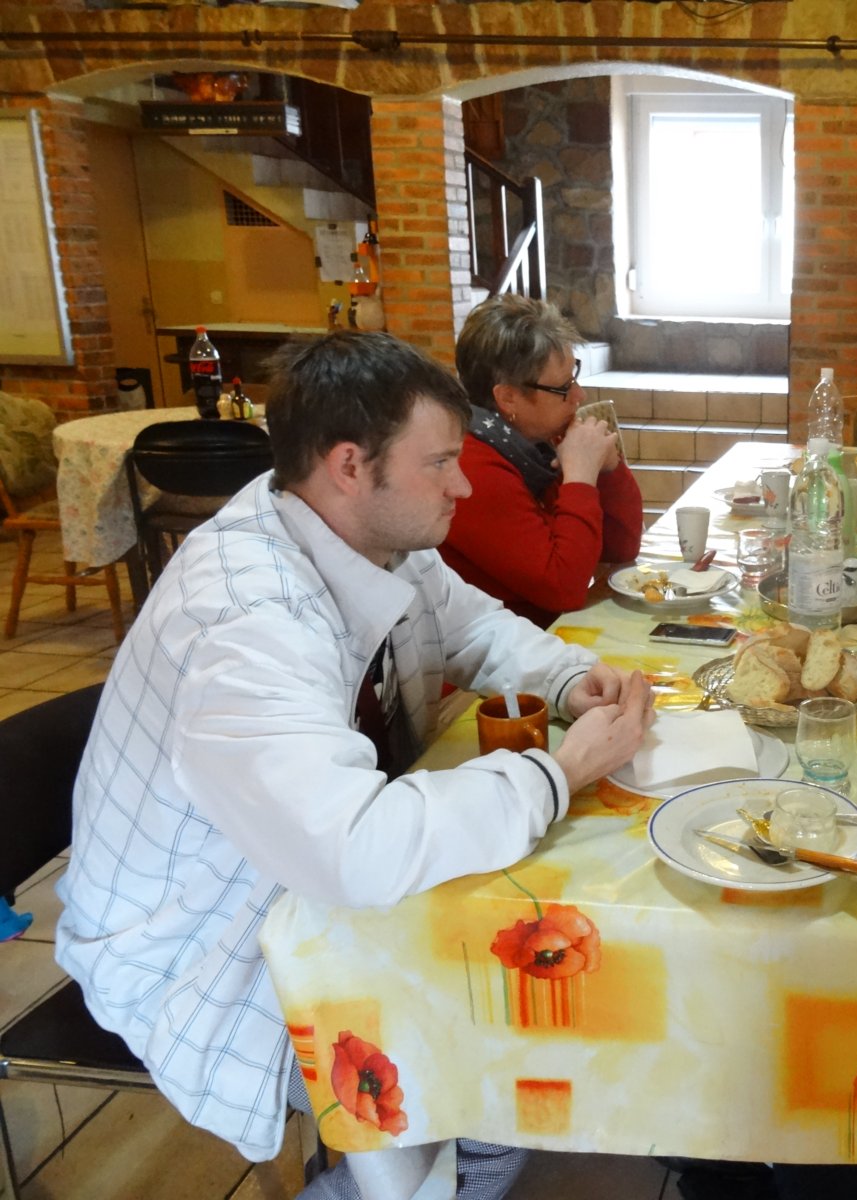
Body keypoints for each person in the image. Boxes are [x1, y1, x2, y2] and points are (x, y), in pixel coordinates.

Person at [55, 331, 653, 1194]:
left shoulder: (363, 532)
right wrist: (556, 774)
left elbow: (473, 626)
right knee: (507, 1067)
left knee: (533, 1015)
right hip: (202, 946)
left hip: (298, 880)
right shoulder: (246, 615)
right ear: (348, 465)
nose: (462, 484)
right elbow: (353, 848)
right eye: (440, 463)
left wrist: (568, 681)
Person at [443, 295, 643, 627]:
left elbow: (620, 550)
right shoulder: (473, 470)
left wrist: (608, 469)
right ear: (508, 397)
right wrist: (580, 478)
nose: (579, 396)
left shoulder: (534, 441)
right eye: (563, 388)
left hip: (542, 635)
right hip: (495, 653)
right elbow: (564, 588)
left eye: (574, 376)